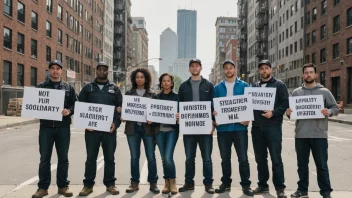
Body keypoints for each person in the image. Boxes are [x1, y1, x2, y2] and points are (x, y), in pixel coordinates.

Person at [286, 63, 338, 198]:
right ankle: (302, 190)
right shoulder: (296, 92)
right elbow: (291, 113)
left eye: (311, 72)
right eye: (306, 72)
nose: (308, 75)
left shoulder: (324, 92)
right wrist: (288, 112)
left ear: (315, 74)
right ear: (303, 75)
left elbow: (335, 108)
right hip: (301, 134)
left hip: (319, 134)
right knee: (302, 165)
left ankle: (326, 192)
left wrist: (329, 111)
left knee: (321, 165)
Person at [32, 60, 77, 198]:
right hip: (46, 128)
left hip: (63, 128)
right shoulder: (41, 87)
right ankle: (43, 188)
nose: (55, 71)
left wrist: (68, 111)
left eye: (58, 68)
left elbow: (75, 105)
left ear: (61, 71)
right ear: (49, 70)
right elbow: (34, 104)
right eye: (52, 68)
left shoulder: (68, 88)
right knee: (44, 158)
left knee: (63, 158)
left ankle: (63, 186)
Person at [78, 62, 123, 196]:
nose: (102, 71)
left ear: (108, 72)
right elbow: (80, 107)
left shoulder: (115, 89)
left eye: (105, 70)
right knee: (91, 158)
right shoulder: (88, 88)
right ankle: (88, 185)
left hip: (109, 131)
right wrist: (86, 123)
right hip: (92, 131)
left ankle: (110, 184)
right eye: (100, 69)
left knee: (110, 158)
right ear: (96, 71)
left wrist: (115, 124)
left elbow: (119, 109)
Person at [213, 60, 254, 196]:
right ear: (224, 71)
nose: (229, 70)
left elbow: (249, 105)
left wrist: (247, 118)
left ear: (235, 69)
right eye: (226, 68)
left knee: (243, 158)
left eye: (231, 68)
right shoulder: (217, 88)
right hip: (223, 130)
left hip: (240, 129)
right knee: (225, 159)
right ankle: (226, 183)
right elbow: (214, 106)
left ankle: (246, 185)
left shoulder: (244, 85)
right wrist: (215, 115)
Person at [251, 60, 289, 198]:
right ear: (259, 71)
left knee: (276, 158)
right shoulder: (254, 86)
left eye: (266, 68)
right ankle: (262, 185)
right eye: (261, 69)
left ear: (271, 70)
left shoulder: (279, 85)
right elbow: (248, 104)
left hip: (273, 127)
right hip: (256, 127)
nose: (264, 71)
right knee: (260, 159)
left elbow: (285, 103)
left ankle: (280, 188)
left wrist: (273, 113)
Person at [177, 58, 216, 194]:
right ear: (189, 69)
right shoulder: (183, 86)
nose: (194, 68)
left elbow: (213, 105)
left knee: (207, 158)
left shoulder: (209, 85)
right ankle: (189, 183)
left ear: (201, 68)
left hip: (205, 129)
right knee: (189, 158)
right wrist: (179, 115)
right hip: (189, 129)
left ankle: (208, 183)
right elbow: (179, 105)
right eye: (192, 66)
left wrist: (213, 121)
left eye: (197, 66)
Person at [123, 67, 160, 194]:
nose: (139, 79)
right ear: (134, 79)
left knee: (151, 157)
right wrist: (123, 114)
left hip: (148, 130)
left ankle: (153, 183)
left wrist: (153, 120)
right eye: (137, 77)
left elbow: (156, 114)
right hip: (133, 129)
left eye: (142, 77)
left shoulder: (153, 95)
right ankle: (134, 183)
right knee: (134, 157)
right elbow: (125, 111)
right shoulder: (128, 94)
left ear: (146, 79)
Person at [153, 73, 179, 195]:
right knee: (164, 158)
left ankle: (173, 181)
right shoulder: (156, 97)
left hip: (172, 131)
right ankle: (166, 182)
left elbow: (182, 113)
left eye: (168, 81)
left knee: (168, 157)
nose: (166, 83)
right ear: (161, 83)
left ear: (172, 83)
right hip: (159, 131)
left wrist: (179, 116)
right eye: (164, 81)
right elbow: (152, 112)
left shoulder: (177, 97)